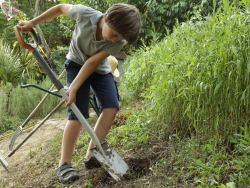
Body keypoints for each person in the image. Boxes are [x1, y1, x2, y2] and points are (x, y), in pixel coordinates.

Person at [18, 3, 141, 184]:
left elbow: (93, 62)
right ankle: (64, 164)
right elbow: (60, 8)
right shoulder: (85, 14)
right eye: (114, 34)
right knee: (77, 114)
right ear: (106, 19)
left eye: (120, 38)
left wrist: (73, 87)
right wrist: (32, 23)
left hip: (99, 69)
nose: (115, 40)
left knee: (111, 106)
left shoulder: (120, 40)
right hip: (75, 64)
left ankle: (92, 154)